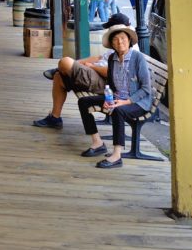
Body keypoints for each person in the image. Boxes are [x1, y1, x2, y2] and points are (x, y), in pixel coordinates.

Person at [32, 13, 137, 129]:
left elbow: (112, 73)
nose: (109, 31)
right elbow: (99, 58)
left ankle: (61, 68)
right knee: (59, 76)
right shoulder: (118, 42)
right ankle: (55, 118)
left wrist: (91, 67)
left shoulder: (128, 46)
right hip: (95, 73)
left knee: (65, 62)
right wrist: (78, 63)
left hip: (105, 82)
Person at [75, 22, 151, 168]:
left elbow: (146, 89)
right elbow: (110, 83)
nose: (119, 42)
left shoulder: (138, 58)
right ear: (112, 44)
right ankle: (97, 143)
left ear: (129, 41)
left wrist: (124, 102)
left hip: (137, 102)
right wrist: (108, 98)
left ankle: (116, 155)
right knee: (84, 102)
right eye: (115, 39)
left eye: (123, 38)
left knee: (118, 111)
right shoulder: (112, 59)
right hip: (117, 98)